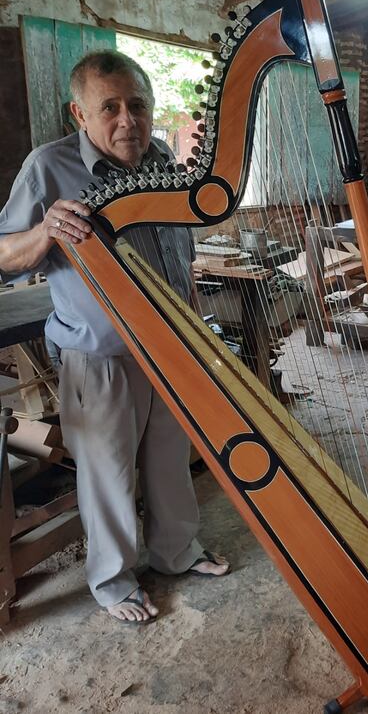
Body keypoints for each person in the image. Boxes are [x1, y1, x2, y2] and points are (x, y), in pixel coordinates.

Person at [0, 50, 229, 622]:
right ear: (80, 113)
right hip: (99, 357)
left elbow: (179, 252)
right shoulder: (47, 168)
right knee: (108, 473)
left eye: (138, 105)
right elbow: (3, 254)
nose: (127, 119)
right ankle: (111, 580)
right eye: (110, 107)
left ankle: (176, 553)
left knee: (171, 461)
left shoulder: (162, 165)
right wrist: (45, 230)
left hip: (171, 348)